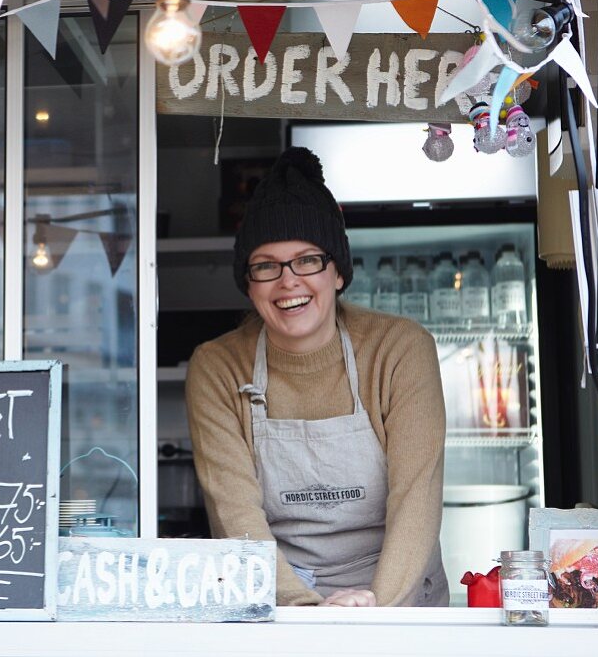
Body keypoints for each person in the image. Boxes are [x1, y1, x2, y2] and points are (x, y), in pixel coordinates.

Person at [185, 147, 449, 607]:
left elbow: (416, 498)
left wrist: (375, 608)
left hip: (397, 599)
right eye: (266, 266)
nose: (288, 281)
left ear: (338, 273)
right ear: (249, 284)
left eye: (307, 260)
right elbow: (233, 512)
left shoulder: (400, 349)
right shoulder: (217, 367)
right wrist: (305, 611)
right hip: (275, 598)